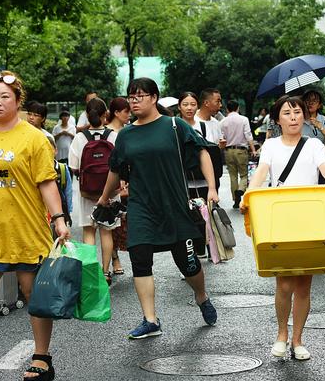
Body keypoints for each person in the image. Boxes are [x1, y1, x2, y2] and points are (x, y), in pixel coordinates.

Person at [0, 71, 70, 380]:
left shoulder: (34, 138)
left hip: (26, 231)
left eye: (4, 97)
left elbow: (47, 183)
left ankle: (41, 357)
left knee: (34, 298)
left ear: (17, 101)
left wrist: (59, 220)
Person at [97, 77, 218, 339]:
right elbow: (116, 169)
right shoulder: (126, 134)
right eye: (131, 97)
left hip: (174, 207)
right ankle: (150, 320)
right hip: (141, 207)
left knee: (188, 265)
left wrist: (212, 188)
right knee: (140, 260)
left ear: (154, 98)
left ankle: (201, 296)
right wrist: (104, 197)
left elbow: (202, 152)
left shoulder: (173, 126)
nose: (134, 101)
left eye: (140, 96)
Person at [240, 95, 325, 361]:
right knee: (284, 283)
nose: (293, 117)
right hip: (279, 217)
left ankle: (298, 339)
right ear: (278, 119)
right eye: (287, 113)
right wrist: (249, 194)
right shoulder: (270, 145)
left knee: (304, 284)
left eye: (297, 112)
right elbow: (261, 173)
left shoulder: (314, 144)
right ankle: (281, 334)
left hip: (310, 216)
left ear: (304, 116)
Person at [69, 98, 119, 285]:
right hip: (109, 193)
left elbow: (73, 167)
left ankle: (91, 274)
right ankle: (106, 272)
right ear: (106, 114)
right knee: (106, 232)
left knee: (89, 232)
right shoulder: (113, 136)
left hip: (86, 193)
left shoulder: (79, 138)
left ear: (87, 115)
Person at [106, 97, 132, 276]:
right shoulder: (107, 133)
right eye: (126, 112)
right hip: (112, 184)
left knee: (126, 223)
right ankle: (115, 259)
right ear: (116, 112)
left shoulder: (129, 131)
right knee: (111, 224)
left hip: (128, 183)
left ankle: (133, 258)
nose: (129, 115)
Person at [220, 100, 256, 208]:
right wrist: (253, 149)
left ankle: (236, 200)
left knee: (233, 176)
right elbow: (248, 135)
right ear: (238, 108)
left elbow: (221, 138)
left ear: (227, 109)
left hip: (228, 151)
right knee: (244, 175)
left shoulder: (223, 121)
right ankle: (240, 190)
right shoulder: (244, 119)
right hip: (241, 150)